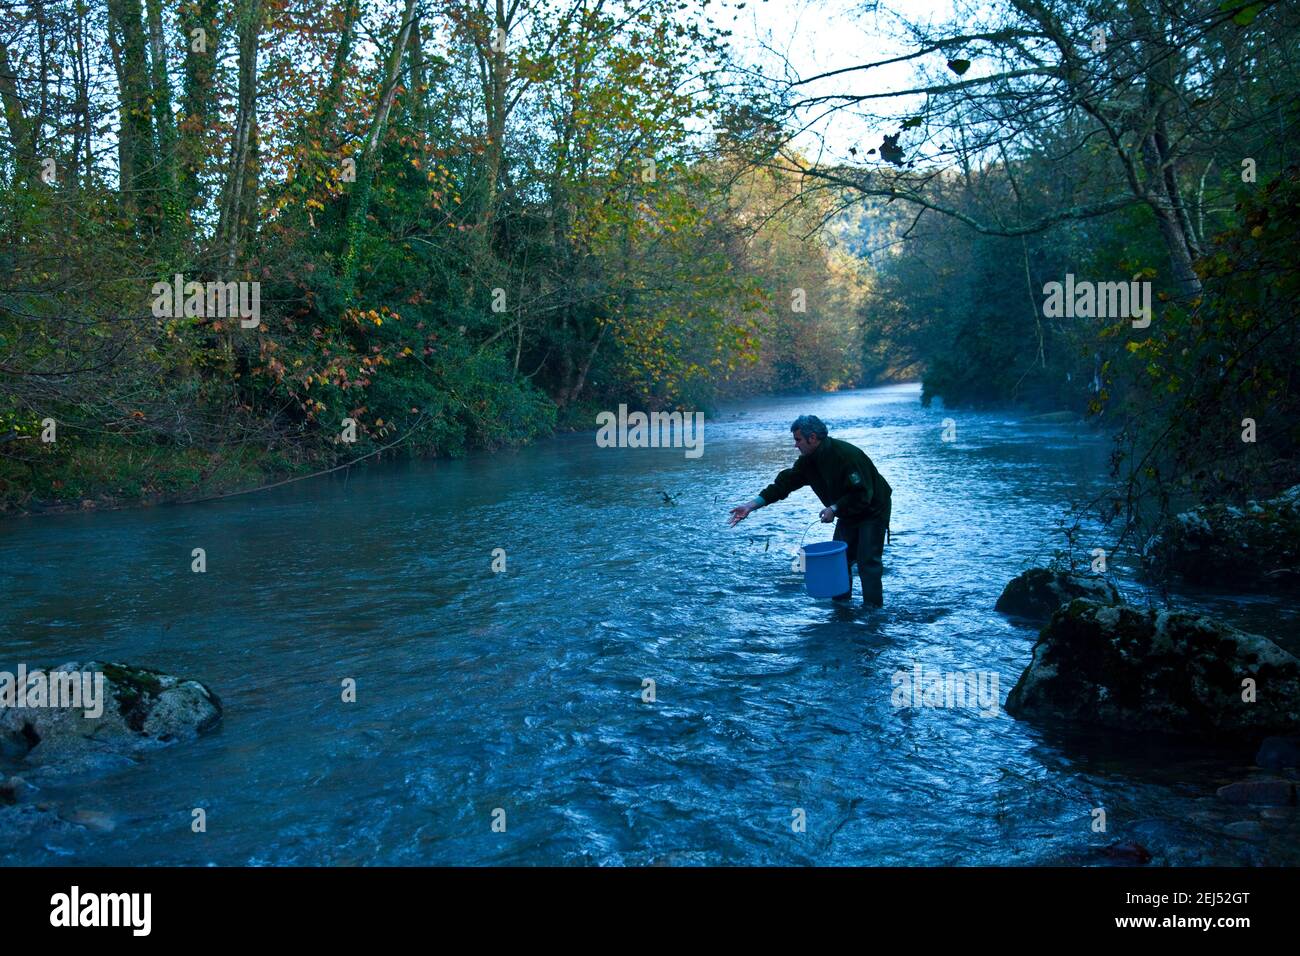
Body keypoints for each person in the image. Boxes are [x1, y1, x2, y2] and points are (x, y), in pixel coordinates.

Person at [729, 415, 892, 606]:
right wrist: (750, 506)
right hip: (847, 511)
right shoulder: (807, 462)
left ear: (812, 438)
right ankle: (842, 610)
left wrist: (834, 508)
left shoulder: (847, 456)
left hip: (873, 509)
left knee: (868, 563)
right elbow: (783, 485)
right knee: (839, 562)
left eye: (798, 440)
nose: (795, 445)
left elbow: (863, 494)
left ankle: (873, 615)